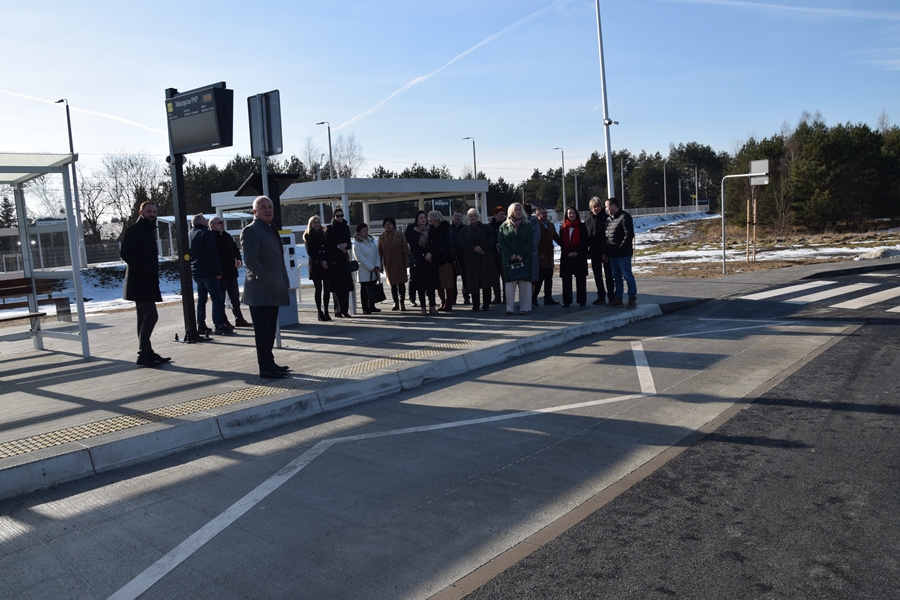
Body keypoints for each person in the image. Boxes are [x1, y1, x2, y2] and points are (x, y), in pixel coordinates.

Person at [241, 196, 291, 378]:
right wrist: (268, 278)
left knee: (270, 331)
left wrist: (284, 279)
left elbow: (278, 259)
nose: (268, 210)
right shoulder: (251, 230)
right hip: (260, 291)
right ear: (255, 212)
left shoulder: (270, 229)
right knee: (263, 332)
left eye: (270, 207)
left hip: (273, 288)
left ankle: (270, 362)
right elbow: (250, 260)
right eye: (263, 207)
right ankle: (265, 368)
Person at [120, 201, 169, 367]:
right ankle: (143, 353)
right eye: (149, 212)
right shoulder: (136, 230)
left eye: (154, 212)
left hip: (145, 281)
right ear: (141, 212)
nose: (152, 214)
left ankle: (147, 351)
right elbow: (125, 252)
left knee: (143, 317)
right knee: (151, 316)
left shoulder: (148, 230)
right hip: (140, 282)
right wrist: (144, 268)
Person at [188, 214, 229, 335]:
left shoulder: (189, 234)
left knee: (202, 299)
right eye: (205, 220)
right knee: (217, 298)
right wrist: (218, 272)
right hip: (209, 272)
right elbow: (213, 253)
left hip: (196, 271)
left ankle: (201, 324)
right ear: (200, 221)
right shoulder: (206, 234)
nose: (207, 221)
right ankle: (219, 324)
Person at [210, 216, 251, 329]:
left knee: (235, 298)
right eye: (219, 223)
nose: (222, 224)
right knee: (221, 299)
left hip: (232, 273)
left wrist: (238, 259)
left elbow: (235, 248)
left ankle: (239, 318)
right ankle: (224, 320)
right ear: (212, 225)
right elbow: (217, 255)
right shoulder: (212, 238)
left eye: (222, 222)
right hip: (222, 274)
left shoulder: (226, 235)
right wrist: (231, 260)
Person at [458, 208, 498, 312]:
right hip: (471, 259)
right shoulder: (464, 230)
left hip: (485, 258)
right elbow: (461, 243)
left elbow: (491, 239)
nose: (473, 218)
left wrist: (481, 247)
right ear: (468, 218)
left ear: (478, 216)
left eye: (475, 215)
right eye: (471, 216)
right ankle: (475, 305)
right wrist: (474, 249)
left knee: (486, 282)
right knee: (473, 282)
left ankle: (486, 304)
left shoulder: (486, 228)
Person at [498, 202, 534, 315]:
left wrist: (521, 254)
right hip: (509, 259)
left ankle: (525, 307)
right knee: (509, 284)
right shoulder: (504, 226)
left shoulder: (527, 225)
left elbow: (530, 241)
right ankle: (509, 308)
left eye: (520, 209)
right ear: (511, 212)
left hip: (524, 258)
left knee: (525, 284)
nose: (518, 211)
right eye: (516, 210)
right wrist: (511, 254)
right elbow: (501, 242)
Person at [604, 197, 637, 308]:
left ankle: (632, 299)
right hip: (612, 254)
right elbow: (607, 236)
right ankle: (618, 298)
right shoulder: (609, 219)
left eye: (607, 206)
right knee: (616, 277)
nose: (606, 208)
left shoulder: (625, 217)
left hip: (623, 254)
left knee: (627, 276)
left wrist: (621, 248)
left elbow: (629, 234)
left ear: (614, 205)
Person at [405, 210, 438, 314]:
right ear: (417, 220)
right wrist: (424, 254)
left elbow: (435, 245)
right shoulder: (413, 231)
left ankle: (432, 306)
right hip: (419, 262)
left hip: (430, 261)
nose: (423, 219)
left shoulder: (431, 230)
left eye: (424, 217)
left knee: (431, 285)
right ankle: (423, 307)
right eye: (421, 218)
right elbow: (413, 247)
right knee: (421, 286)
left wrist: (430, 254)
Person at [585, 196, 615, 305]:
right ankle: (601, 296)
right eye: (594, 207)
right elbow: (586, 237)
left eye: (597, 206)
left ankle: (611, 296)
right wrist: (587, 251)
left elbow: (609, 236)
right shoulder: (588, 220)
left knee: (609, 275)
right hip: (594, 252)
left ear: (601, 207)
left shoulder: (607, 218)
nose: (596, 209)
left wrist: (606, 252)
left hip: (606, 251)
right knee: (597, 275)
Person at [302, 214, 332, 321]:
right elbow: (310, 251)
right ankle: (320, 312)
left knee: (327, 289)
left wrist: (326, 261)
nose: (316, 224)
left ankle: (327, 311)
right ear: (310, 224)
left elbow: (329, 249)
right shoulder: (308, 236)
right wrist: (320, 261)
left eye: (318, 222)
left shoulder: (325, 234)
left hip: (326, 264)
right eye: (314, 222)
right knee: (318, 289)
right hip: (316, 265)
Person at [558, 206, 589, 307]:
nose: (571, 215)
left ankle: (582, 300)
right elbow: (561, 242)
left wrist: (577, 252)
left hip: (579, 256)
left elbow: (585, 241)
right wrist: (568, 252)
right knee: (566, 279)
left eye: (573, 213)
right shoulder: (562, 228)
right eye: (569, 213)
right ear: (566, 215)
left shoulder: (582, 226)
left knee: (580, 278)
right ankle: (566, 301)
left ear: (576, 214)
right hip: (567, 256)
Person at [326, 207, 354, 318]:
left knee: (346, 286)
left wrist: (346, 246)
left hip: (344, 259)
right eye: (338, 216)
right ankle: (338, 310)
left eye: (341, 216)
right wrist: (338, 246)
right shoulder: (329, 229)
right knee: (337, 287)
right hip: (334, 260)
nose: (340, 218)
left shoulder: (346, 228)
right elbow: (328, 245)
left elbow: (350, 243)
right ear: (334, 217)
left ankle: (345, 310)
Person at [378, 217, 409, 311]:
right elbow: (379, 252)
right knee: (393, 284)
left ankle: (402, 302)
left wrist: (407, 262)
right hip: (389, 262)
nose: (387, 226)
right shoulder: (381, 237)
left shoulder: (400, 234)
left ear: (393, 225)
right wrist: (380, 266)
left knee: (401, 283)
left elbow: (406, 249)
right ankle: (396, 303)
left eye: (389, 224)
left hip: (399, 261)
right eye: (385, 224)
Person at [353, 222, 383, 314]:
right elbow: (360, 258)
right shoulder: (357, 244)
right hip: (365, 270)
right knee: (365, 289)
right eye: (363, 231)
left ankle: (372, 305)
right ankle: (365, 307)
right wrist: (371, 267)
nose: (366, 232)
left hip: (374, 269)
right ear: (359, 232)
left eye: (366, 230)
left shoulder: (371, 240)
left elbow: (377, 253)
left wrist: (378, 265)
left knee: (373, 287)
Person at [533, 206, 559, 305]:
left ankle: (548, 298)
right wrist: (539, 253)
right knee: (539, 280)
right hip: (540, 258)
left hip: (549, 257)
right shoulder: (536, 226)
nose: (545, 215)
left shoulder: (551, 225)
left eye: (546, 213)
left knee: (549, 279)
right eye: (543, 213)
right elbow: (534, 241)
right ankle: (533, 297)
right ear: (537, 215)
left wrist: (566, 247)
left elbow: (556, 238)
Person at [429, 210, 455, 312]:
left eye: (431, 218)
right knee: (438, 281)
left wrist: (441, 251)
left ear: (436, 219)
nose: (429, 220)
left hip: (445, 257)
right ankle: (442, 301)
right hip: (435, 258)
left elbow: (449, 241)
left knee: (447, 281)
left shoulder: (446, 227)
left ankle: (448, 302)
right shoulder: (430, 229)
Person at [448, 210, 470, 306]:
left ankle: (466, 297)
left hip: (463, 256)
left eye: (459, 216)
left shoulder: (466, 228)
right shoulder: (449, 228)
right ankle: (453, 298)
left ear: (462, 218)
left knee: (465, 277)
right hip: (452, 256)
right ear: (453, 217)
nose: (457, 217)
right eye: (455, 216)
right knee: (452, 278)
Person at [524, 203, 541, 307]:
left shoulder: (534, 223)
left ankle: (529, 300)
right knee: (522, 279)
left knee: (532, 279)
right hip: (520, 256)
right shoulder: (517, 223)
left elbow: (536, 239)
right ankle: (523, 300)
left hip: (531, 254)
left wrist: (525, 248)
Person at [489, 206, 506, 305]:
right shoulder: (490, 226)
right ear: (495, 215)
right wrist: (495, 244)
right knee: (495, 278)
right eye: (500, 214)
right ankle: (497, 297)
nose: (502, 216)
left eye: (503, 214)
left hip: (504, 255)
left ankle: (506, 297)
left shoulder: (507, 225)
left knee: (505, 278)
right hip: (493, 255)